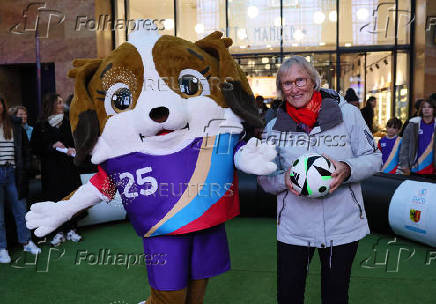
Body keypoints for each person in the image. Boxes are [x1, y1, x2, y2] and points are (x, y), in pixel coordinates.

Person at [257, 56, 382, 304]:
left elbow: (374, 157)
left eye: (300, 80)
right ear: (281, 89)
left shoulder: (349, 115)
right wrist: (284, 179)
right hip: (294, 228)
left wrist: (347, 169)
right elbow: (264, 180)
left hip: (342, 225)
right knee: (288, 296)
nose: (294, 89)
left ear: (313, 80)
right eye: (287, 84)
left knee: (335, 296)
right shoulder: (273, 128)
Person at [30, 93, 83, 245]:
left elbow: (77, 141)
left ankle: (72, 229)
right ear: (51, 105)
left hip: (68, 169)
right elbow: (34, 148)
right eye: (58, 102)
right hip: (51, 171)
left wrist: (73, 148)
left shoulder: (67, 123)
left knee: (71, 199)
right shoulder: (41, 126)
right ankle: (58, 232)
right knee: (54, 200)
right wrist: (51, 147)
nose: (61, 105)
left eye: (61, 102)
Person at [0, 96, 40, 263]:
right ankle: (2, 248)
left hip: (13, 172)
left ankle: (26, 241)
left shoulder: (15, 125)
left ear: (3, 105)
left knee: (21, 210)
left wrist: (26, 170)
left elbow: (25, 150)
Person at [397, 99, 436, 178]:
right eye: (424, 107)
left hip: (433, 170)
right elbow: (405, 146)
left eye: (429, 107)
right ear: (421, 110)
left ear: (434, 109)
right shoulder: (412, 125)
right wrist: (404, 165)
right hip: (415, 169)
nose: (426, 109)